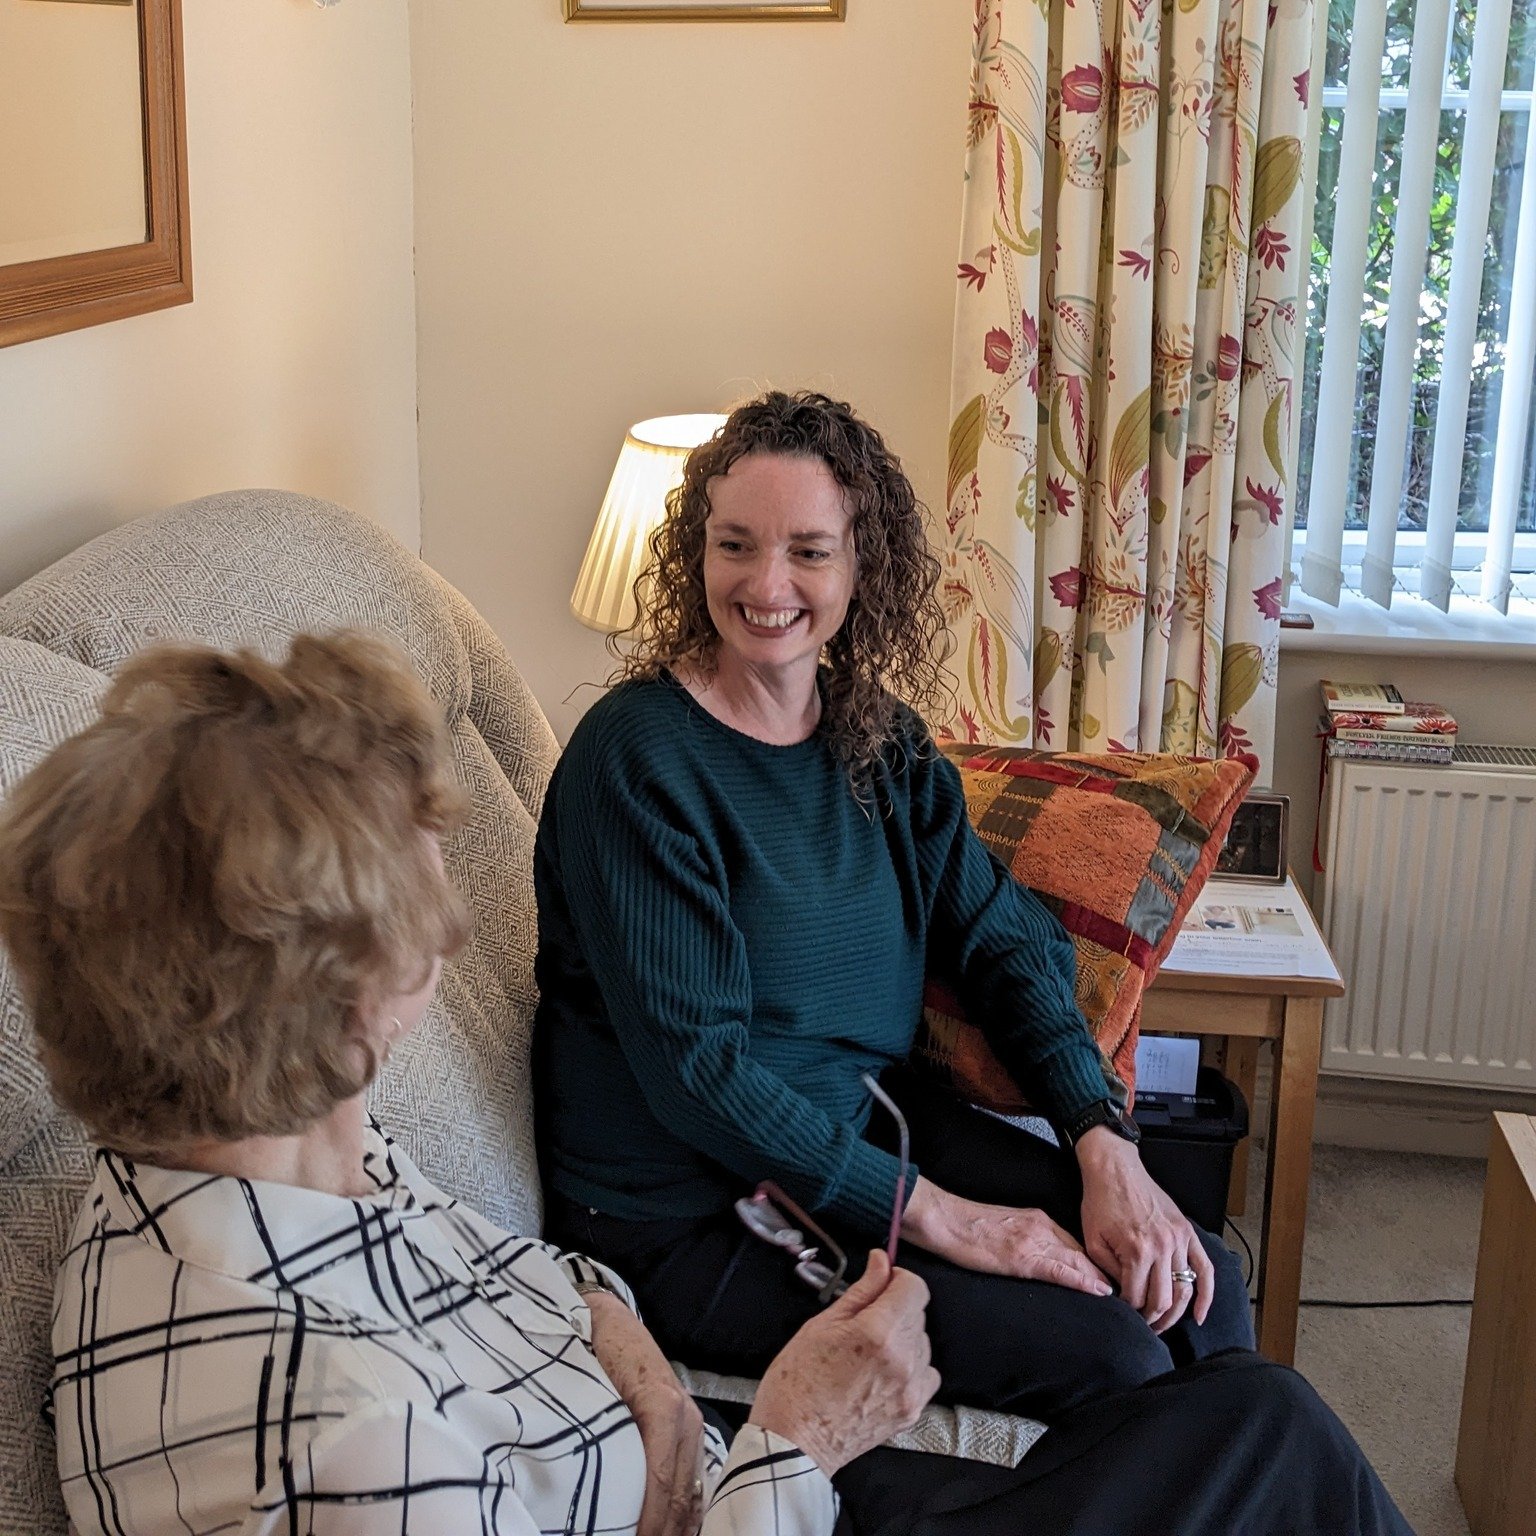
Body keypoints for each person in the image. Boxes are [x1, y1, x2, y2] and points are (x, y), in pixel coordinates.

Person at [0, 630, 1408, 1536]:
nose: (453, 924)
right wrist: (800, 1434)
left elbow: (531, 1278)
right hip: (756, 1500)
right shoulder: (346, 1442)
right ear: (324, 994)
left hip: (703, 1475)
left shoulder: (266, 1142)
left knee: (1219, 1367)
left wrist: (640, 1374)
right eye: (414, 903)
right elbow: (697, 1079)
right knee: (1262, 1431)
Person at [533, 389, 1254, 1423]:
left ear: (864, 566)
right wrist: (959, 1224)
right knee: (1111, 1351)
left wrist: (1104, 1144)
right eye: (735, 545)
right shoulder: (636, 760)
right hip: (694, 1210)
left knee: (1198, 1281)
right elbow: (701, 1074)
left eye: (809, 552)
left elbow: (1005, 944)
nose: (767, 584)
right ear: (697, 554)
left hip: (866, 1134)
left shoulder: (881, 742)